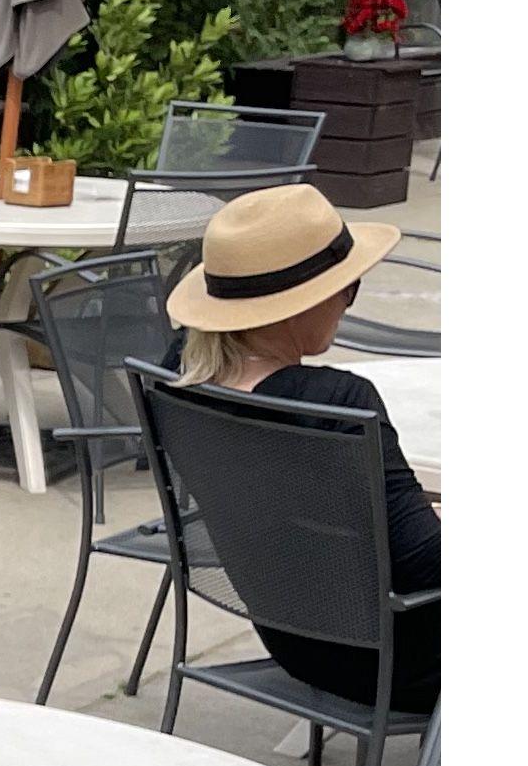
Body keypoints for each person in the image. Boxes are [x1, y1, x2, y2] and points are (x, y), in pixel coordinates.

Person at [166, 179, 440, 716]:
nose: (346, 303)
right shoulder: (335, 404)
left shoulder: (180, 380)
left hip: (295, 637)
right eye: (348, 288)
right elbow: (429, 567)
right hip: (400, 659)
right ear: (296, 307)